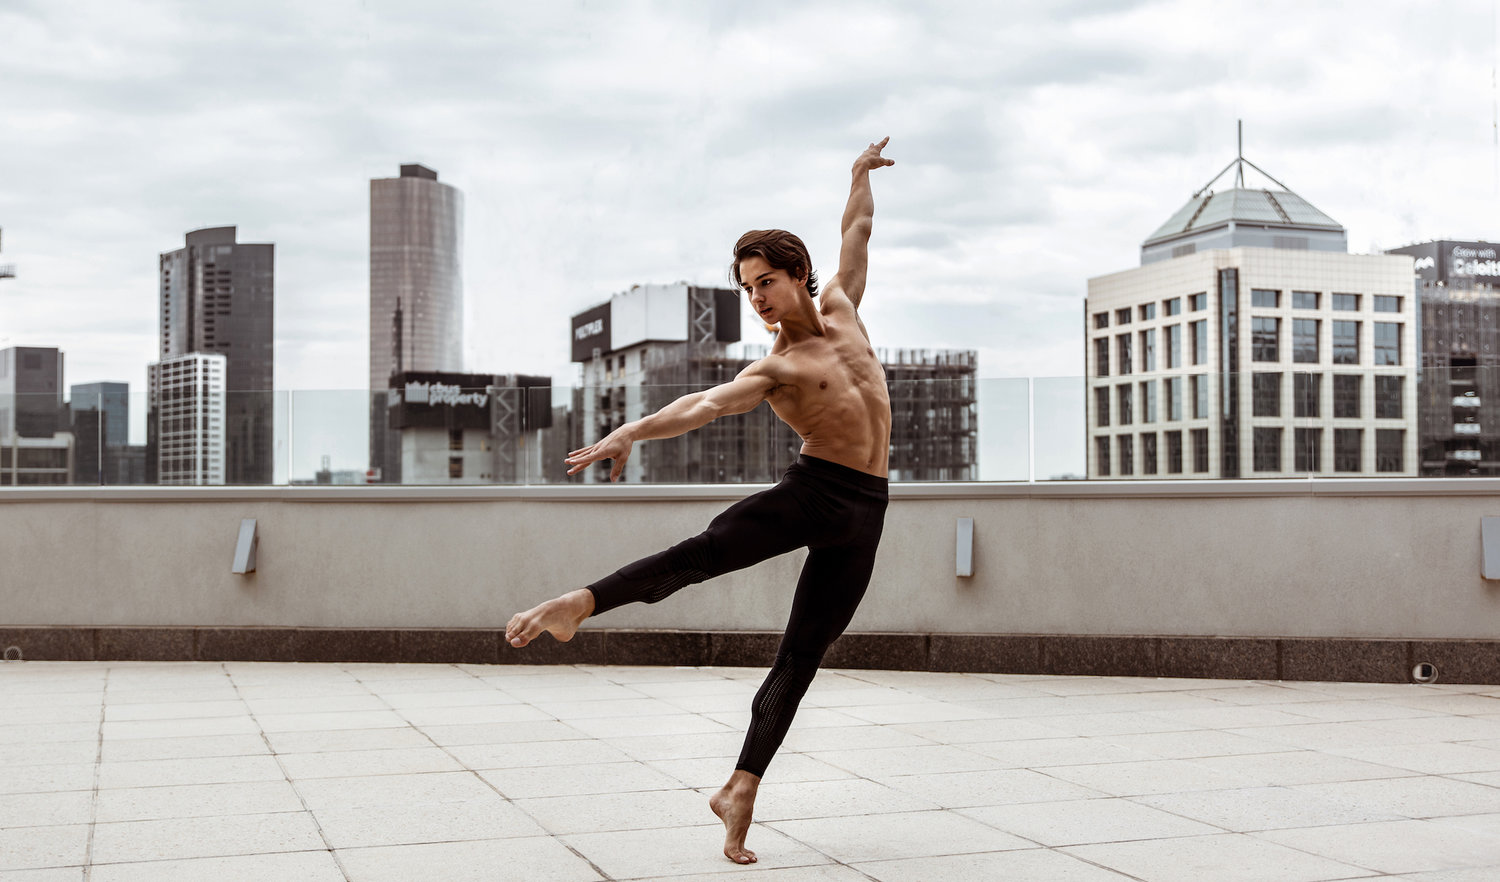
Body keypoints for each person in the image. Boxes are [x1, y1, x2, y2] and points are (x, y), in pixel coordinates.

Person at [505, 137, 895, 864]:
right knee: (702, 556)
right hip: (814, 492)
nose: (757, 299)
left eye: (767, 282)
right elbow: (704, 404)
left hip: (867, 511)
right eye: (749, 288)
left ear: (799, 276)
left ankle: (740, 788)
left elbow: (857, 232)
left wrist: (857, 175)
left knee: (802, 656)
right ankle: (578, 605)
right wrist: (629, 431)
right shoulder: (775, 366)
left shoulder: (844, 307)